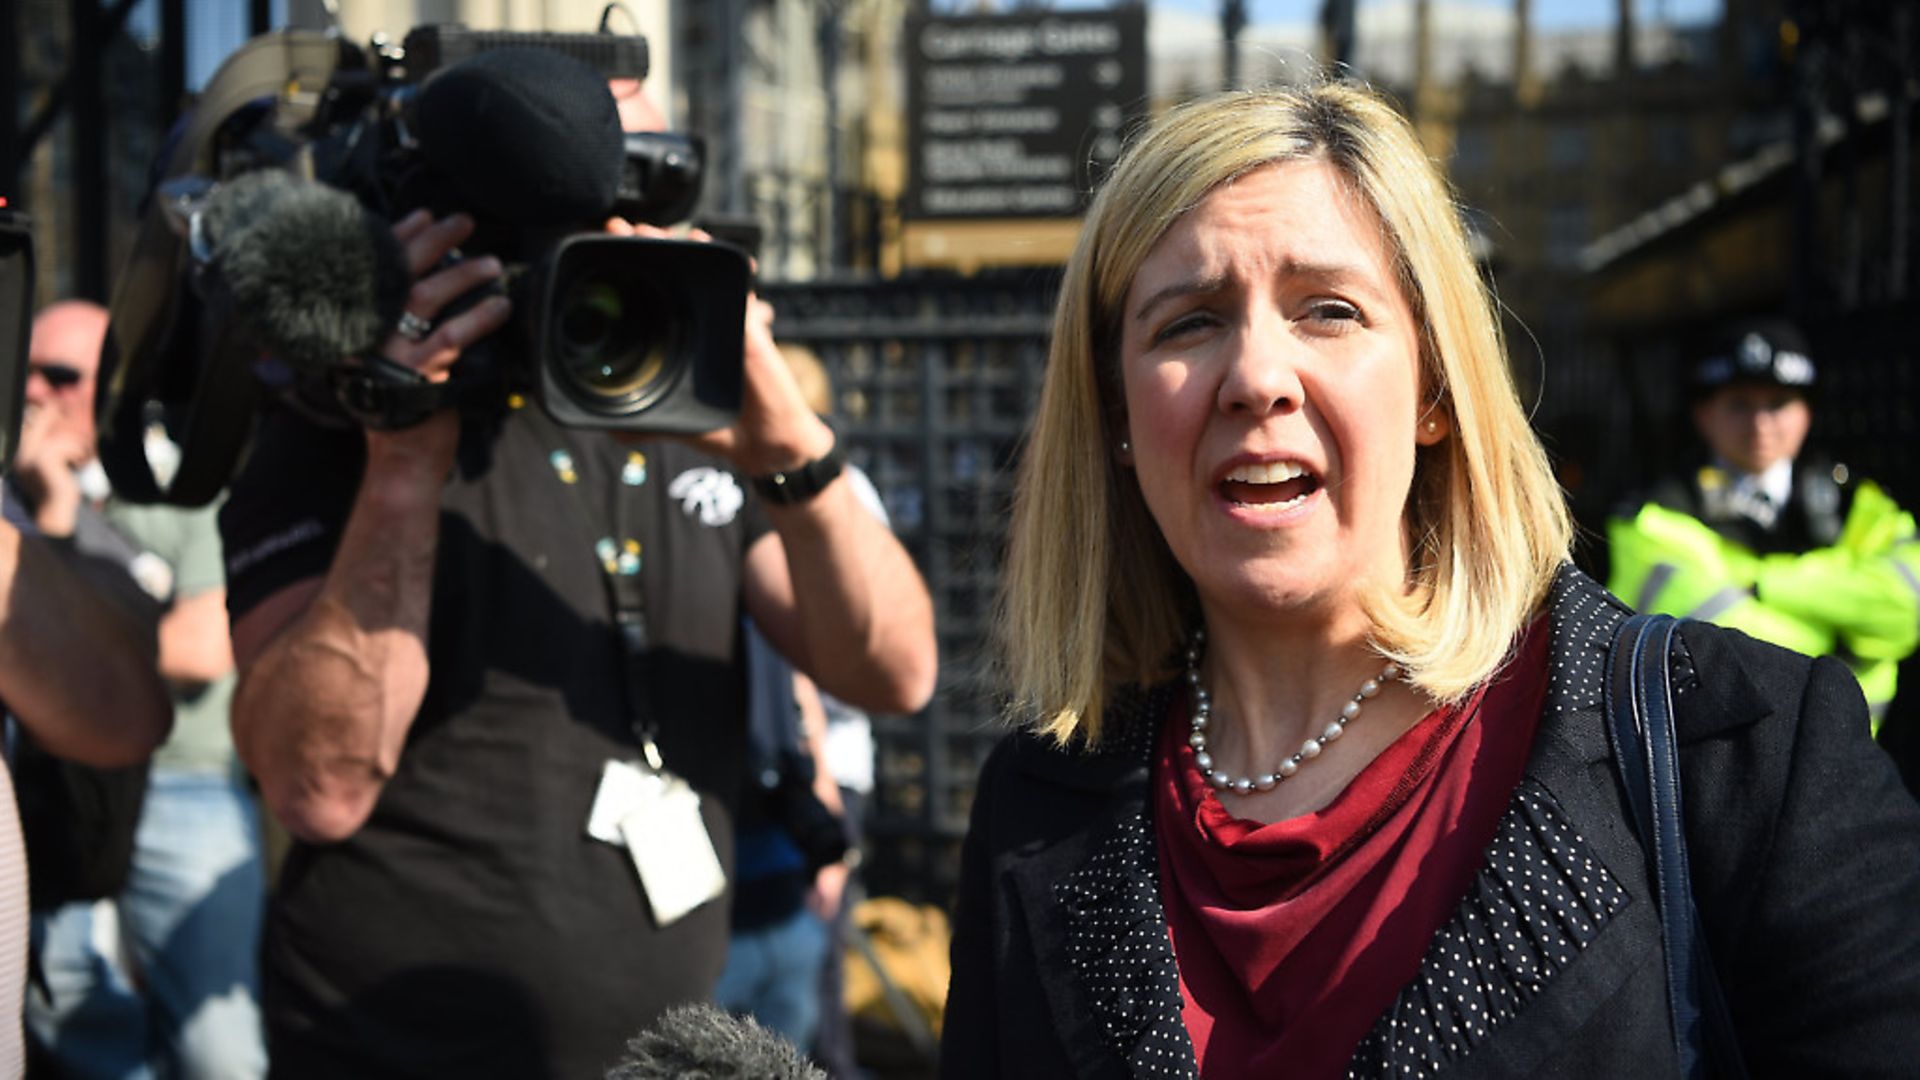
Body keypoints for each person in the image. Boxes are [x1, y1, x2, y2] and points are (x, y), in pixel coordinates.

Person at [941, 82, 1920, 1078]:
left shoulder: (1748, 753)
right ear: (1115, 411)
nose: (1256, 376)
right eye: (1188, 323)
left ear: (1435, 389)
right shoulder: (1035, 802)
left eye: (1328, 310)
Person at [218, 61, 936, 1079]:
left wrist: (797, 460)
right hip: (388, 1050)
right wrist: (403, 460)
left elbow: (894, 672)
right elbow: (316, 786)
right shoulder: (336, 424)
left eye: (637, 183)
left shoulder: (679, 398)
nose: (600, 225)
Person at [13, 301, 267, 1078]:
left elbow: (204, 641)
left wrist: (87, 645)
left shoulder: (174, 477)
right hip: (61, 791)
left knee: (217, 1040)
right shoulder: (20, 489)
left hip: (184, 783)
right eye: (24, 371)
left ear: (111, 387)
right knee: (66, 1003)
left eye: (60, 377)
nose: (34, 395)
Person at [1608, 321, 1920, 732]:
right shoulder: (1654, 514)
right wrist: (1844, 630)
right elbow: (1715, 651)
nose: (1760, 424)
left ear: (1806, 413)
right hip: (1719, 772)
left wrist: (1762, 585)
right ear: (1703, 415)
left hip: (1847, 767)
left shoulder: (1859, 503)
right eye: (1738, 404)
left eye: (1778, 403)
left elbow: (1906, 610)